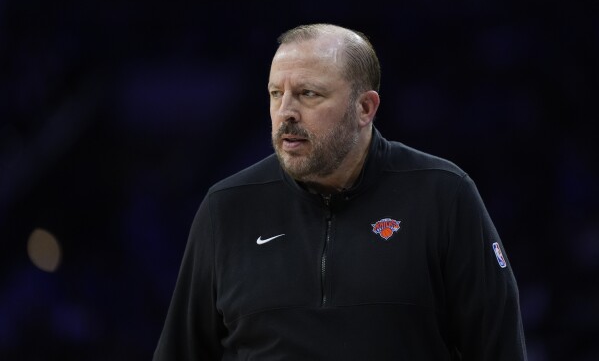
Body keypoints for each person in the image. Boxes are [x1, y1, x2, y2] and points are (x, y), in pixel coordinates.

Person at [153, 23, 527, 360]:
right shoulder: (227, 208)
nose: (286, 112)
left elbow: (499, 348)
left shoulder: (444, 195)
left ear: (364, 107)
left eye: (308, 94)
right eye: (275, 93)